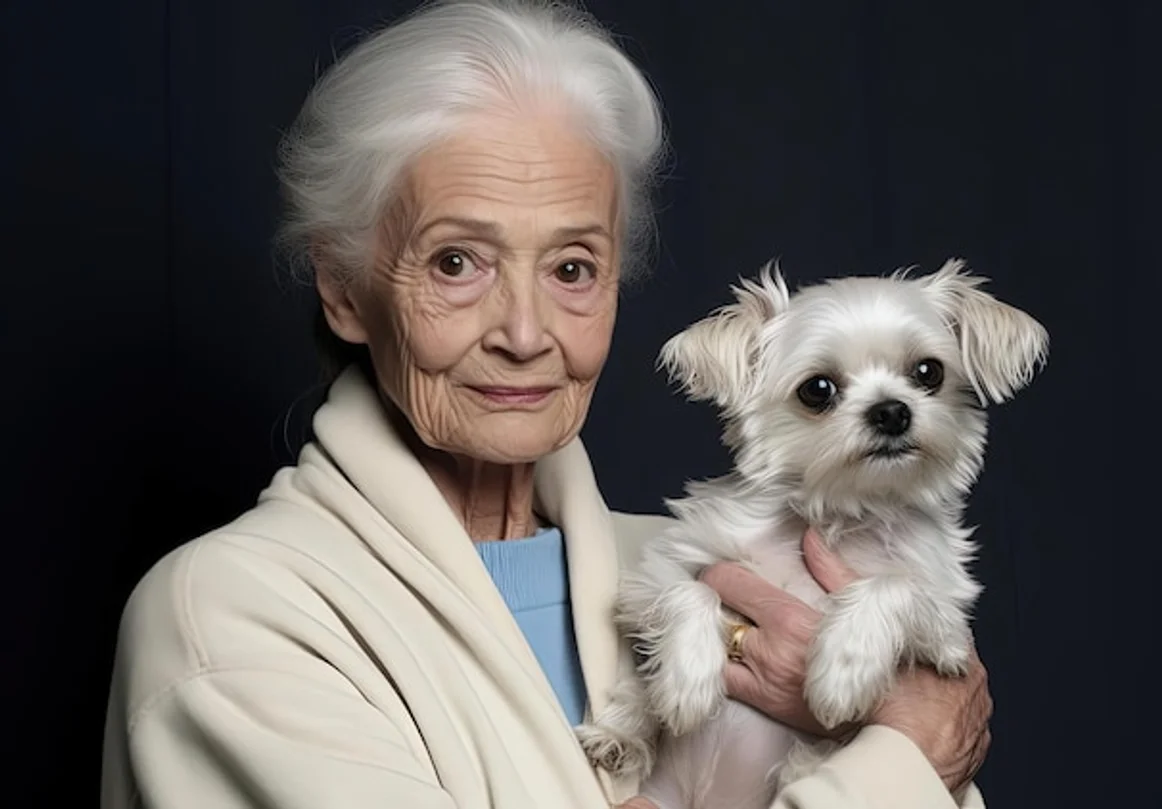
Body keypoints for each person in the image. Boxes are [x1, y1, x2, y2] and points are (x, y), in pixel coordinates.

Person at [99, 1, 992, 807]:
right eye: (457, 261)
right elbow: (910, 771)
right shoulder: (233, 616)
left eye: (571, 268)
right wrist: (903, 755)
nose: (525, 332)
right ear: (343, 290)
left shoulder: (705, 579)